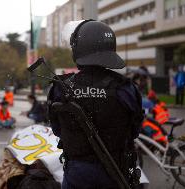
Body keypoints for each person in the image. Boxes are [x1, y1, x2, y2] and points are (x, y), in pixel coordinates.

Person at [48, 20, 143, 189]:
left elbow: (57, 129)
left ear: (78, 49)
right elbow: (134, 130)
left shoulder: (61, 88)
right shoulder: (125, 88)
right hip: (115, 171)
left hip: (77, 172)